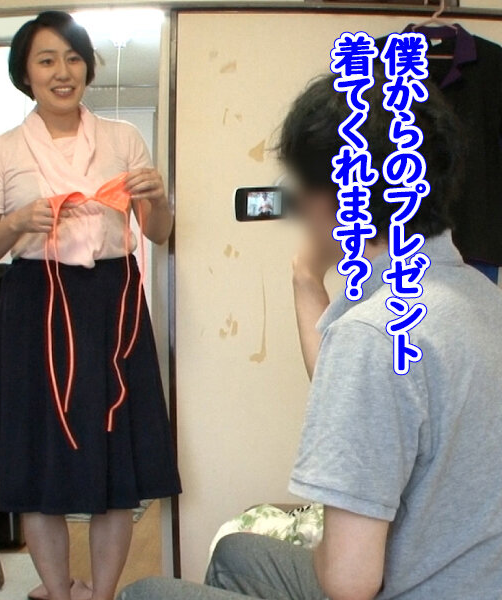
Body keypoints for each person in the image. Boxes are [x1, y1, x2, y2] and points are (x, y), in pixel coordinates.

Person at [118, 69, 502, 600]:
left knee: (144, 593)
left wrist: (333, 537)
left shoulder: (371, 334)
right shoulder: (480, 296)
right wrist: (305, 278)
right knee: (237, 553)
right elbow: (364, 404)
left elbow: (349, 581)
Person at [0, 11, 181, 600]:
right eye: (47, 60)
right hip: (35, 303)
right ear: (25, 73)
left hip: (113, 301)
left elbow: (158, 232)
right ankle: (58, 594)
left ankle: (102, 594)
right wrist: (16, 222)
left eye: (73, 58)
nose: (62, 72)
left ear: (88, 67)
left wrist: (159, 199)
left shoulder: (123, 139)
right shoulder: (1, 151)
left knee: (115, 455)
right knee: (40, 459)